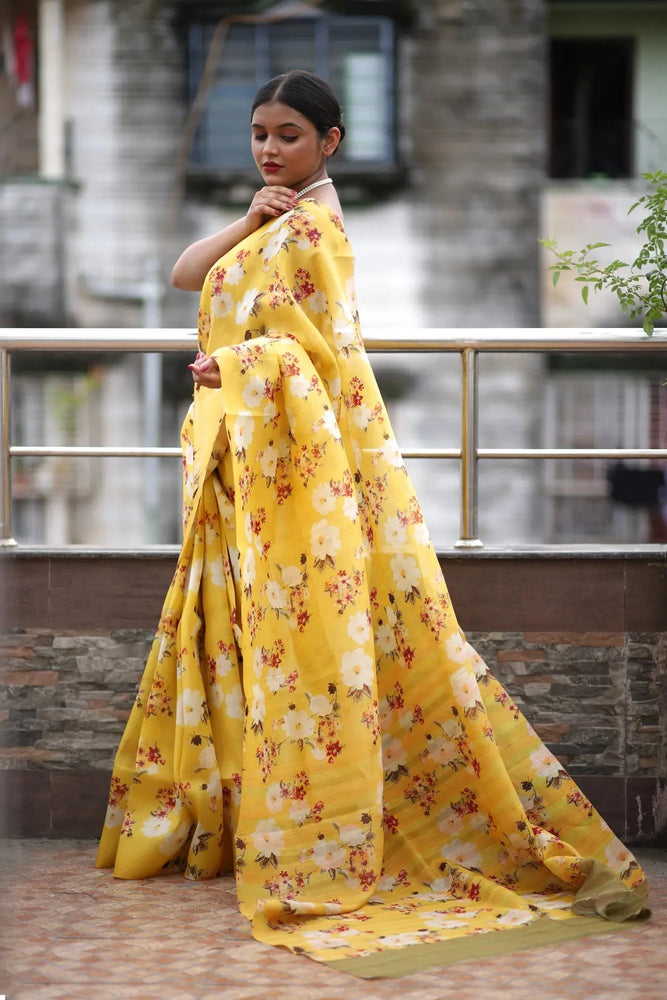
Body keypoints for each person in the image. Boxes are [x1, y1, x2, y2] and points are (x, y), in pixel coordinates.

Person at [97, 71, 648, 976]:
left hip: (295, 473)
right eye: (260, 134)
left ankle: (335, 829)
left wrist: (239, 365)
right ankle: (255, 813)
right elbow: (184, 274)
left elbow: (322, 355)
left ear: (332, 141)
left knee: (319, 643)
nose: (272, 148)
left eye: (290, 135)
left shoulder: (319, 231)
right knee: (253, 635)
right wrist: (247, 219)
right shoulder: (277, 218)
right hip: (252, 467)